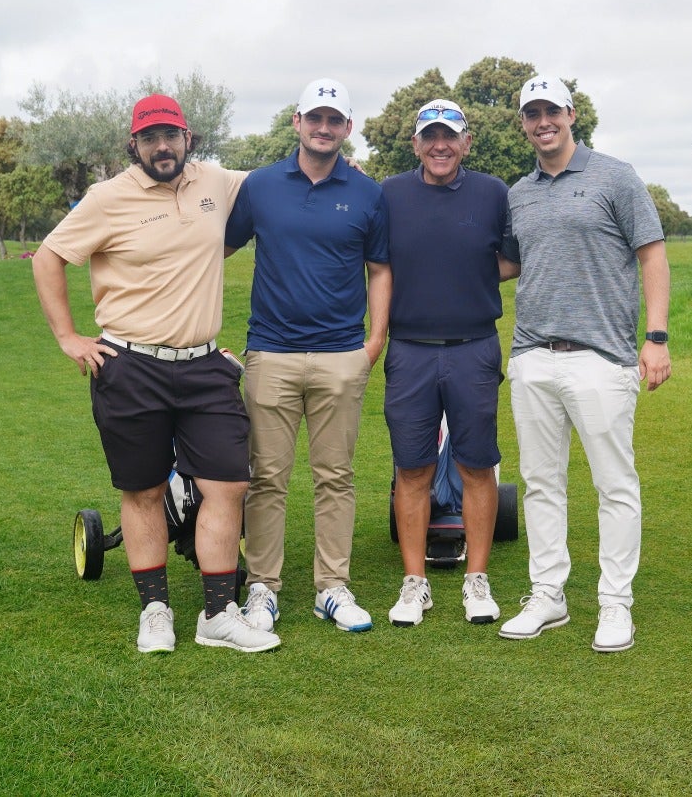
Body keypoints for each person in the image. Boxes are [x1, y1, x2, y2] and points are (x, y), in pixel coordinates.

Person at [32, 94, 279, 655]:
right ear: (134, 145)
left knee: (229, 484)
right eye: (150, 138)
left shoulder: (217, 181)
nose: (162, 146)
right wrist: (69, 338)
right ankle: (156, 611)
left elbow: (280, 179)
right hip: (129, 365)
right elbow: (49, 258)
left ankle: (218, 615)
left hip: (205, 366)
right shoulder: (106, 198)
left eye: (171, 136)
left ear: (188, 138)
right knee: (141, 490)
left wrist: (346, 168)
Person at [497, 75, 671, 653]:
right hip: (532, 356)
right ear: (523, 123)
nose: (542, 121)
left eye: (551, 111)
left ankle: (615, 604)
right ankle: (549, 595)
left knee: (613, 485)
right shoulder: (518, 192)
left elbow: (652, 255)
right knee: (541, 483)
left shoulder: (614, 176)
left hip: (603, 356)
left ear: (571, 114)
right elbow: (508, 264)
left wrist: (657, 337)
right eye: (532, 114)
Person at [225, 78, 391, 634]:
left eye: (335, 120)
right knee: (266, 477)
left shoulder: (369, 194)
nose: (324, 128)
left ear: (347, 128)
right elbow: (215, 248)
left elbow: (380, 268)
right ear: (297, 122)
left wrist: (374, 342)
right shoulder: (262, 186)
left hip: (342, 354)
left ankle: (332, 588)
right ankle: (262, 590)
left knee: (335, 476)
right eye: (315, 118)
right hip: (270, 353)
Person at [379, 98, 516, 627]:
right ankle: (414, 583)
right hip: (410, 349)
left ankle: (475, 580)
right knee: (411, 468)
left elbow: (509, 260)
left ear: (466, 141)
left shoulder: (492, 193)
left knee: (477, 466)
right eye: (429, 135)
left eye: (450, 135)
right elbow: (375, 263)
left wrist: (467, 279)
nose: (440, 145)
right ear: (415, 142)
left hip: (474, 347)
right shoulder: (389, 194)